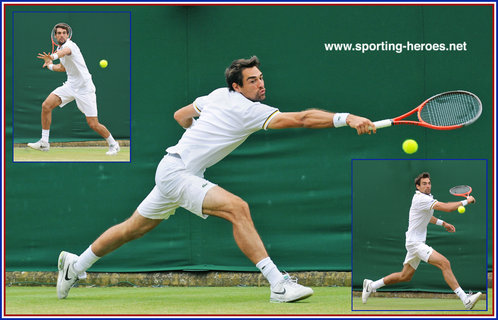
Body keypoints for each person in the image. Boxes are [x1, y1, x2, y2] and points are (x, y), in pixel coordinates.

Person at [56, 56, 376, 302]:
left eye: (261, 78)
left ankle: (75, 265)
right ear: (237, 86)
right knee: (238, 208)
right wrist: (347, 118)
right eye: (252, 81)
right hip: (178, 173)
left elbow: (181, 115)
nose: (260, 84)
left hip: (175, 169)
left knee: (132, 228)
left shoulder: (215, 96)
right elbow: (303, 119)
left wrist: (197, 137)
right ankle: (278, 284)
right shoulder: (247, 110)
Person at [361, 172, 482, 310]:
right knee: (444, 263)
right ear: (418, 186)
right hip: (415, 243)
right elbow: (447, 207)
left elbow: (427, 217)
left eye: (429, 183)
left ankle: (371, 285)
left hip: (415, 242)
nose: (428, 186)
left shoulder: (426, 198)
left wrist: (443, 224)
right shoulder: (421, 199)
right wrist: (467, 201)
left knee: (404, 276)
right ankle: (466, 300)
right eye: (424, 184)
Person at [28, 22, 120, 155]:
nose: (61, 35)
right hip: (70, 86)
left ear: (68, 35)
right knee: (46, 105)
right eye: (59, 33)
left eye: (64, 33)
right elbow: (62, 67)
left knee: (93, 124)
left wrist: (52, 57)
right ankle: (44, 142)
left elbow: (63, 52)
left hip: (85, 88)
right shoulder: (60, 49)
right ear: (55, 36)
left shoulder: (70, 46)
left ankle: (113, 144)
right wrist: (49, 65)